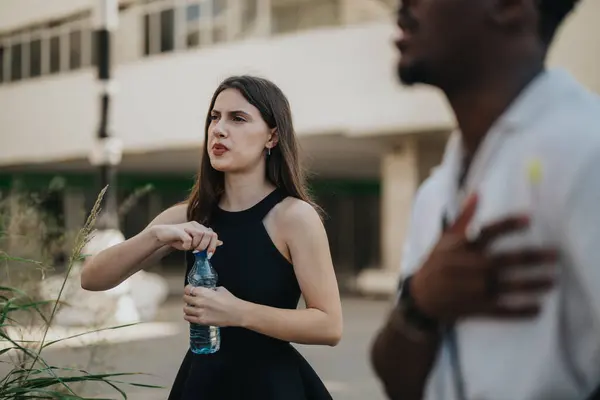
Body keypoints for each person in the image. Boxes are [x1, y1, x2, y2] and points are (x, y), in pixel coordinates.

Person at [370, 0, 600, 399]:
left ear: (509, 6)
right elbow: (398, 383)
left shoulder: (587, 152)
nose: (400, 7)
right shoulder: (435, 193)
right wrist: (419, 306)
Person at [81, 75, 343, 400]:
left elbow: (329, 326)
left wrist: (238, 313)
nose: (219, 129)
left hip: (271, 387)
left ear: (272, 136)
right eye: (214, 118)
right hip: (202, 384)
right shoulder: (189, 215)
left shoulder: (295, 217)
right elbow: (91, 278)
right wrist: (154, 236)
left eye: (238, 118)